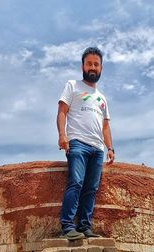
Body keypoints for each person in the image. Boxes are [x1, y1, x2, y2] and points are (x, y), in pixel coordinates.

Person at [57, 46, 115, 240]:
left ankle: (84, 226)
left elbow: (105, 126)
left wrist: (110, 148)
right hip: (78, 143)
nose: (93, 67)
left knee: (91, 188)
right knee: (76, 183)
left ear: (101, 68)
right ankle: (67, 226)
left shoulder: (102, 98)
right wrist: (62, 135)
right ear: (83, 65)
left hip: (97, 148)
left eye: (96, 64)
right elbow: (62, 112)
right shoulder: (72, 86)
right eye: (89, 63)